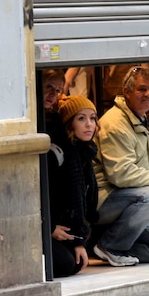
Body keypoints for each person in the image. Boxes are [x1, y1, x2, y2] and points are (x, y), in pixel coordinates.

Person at [92, 66, 149, 266]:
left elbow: (137, 164)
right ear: (127, 91)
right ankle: (111, 245)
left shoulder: (137, 118)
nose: (148, 94)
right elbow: (121, 174)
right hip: (105, 199)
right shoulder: (116, 123)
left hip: (125, 197)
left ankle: (98, 244)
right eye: (141, 89)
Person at [45, 95, 99, 277]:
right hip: (49, 224)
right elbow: (48, 197)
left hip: (67, 227)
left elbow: (83, 203)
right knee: (66, 264)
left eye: (92, 118)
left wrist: (79, 241)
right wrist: (50, 228)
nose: (89, 124)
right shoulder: (59, 154)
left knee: (76, 263)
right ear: (70, 124)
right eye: (81, 118)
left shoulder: (86, 152)